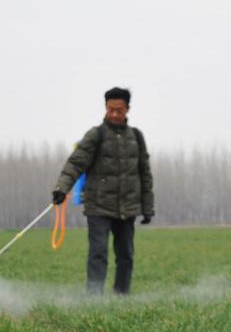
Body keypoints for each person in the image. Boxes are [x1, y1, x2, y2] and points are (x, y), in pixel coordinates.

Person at [52, 87, 154, 295]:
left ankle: (121, 295)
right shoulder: (95, 135)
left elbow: (144, 173)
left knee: (126, 255)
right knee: (98, 253)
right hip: (98, 207)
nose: (114, 114)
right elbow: (75, 164)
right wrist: (61, 188)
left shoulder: (136, 137)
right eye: (110, 109)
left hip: (127, 208)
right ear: (105, 108)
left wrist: (147, 207)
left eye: (119, 110)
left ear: (128, 109)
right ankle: (94, 298)